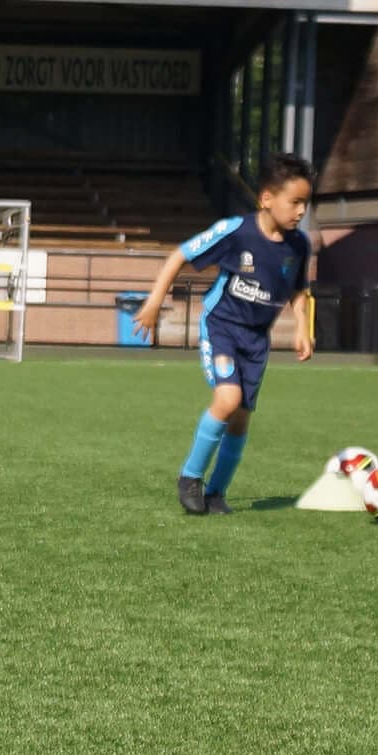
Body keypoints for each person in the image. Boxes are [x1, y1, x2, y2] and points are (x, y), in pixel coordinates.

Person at [128, 155, 317, 515]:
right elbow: (179, 255)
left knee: (242, 416)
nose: (300, 211)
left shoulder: (299, 245)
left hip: (256, 340)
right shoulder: (236, 231)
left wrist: (303, 329)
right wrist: (154, 301)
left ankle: (216, 494)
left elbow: (297, 290)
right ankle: (190, 478)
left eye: (305, 203)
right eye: (295, 202)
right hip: (222, 328)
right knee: (228, 399)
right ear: (266, 198)